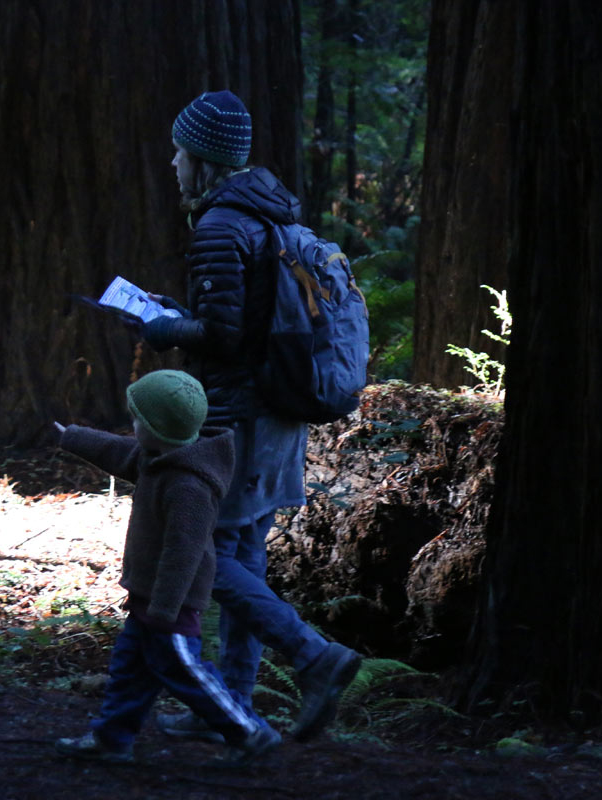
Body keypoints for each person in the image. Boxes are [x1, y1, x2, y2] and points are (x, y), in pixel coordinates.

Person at [139, 91, 362, 743]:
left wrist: (162, 329)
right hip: (280, 411)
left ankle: (314, 656)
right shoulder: (266, 215)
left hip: (240, 416)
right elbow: (247, 319)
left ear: (202, 159)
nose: (172, 162)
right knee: (243, 553)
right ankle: (232, 705)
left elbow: (227, 338)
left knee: (202, 549)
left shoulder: (218, 226)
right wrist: (182, 311)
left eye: (180, 151)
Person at [53, 370, 279, 767]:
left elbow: (184, 552)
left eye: (138, 419)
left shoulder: (188, 485)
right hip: (148, 598)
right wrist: (71, 436)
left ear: (158, 429)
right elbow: (119, 452)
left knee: (186, 671)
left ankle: (249, 731)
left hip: (170, 603)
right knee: (130, 670)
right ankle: (112, 738)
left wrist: (166, 608)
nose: (132, 425)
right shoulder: (158, 457)